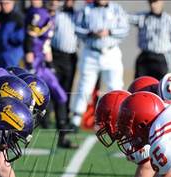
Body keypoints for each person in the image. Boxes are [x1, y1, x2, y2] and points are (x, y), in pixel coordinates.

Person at [70, 0, 128, 130]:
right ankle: (76, 119)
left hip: (111, 51)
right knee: (85, 86)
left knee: (115, 86)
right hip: (91, 52)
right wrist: (91, 33)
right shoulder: (87, 9)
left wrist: (110, 32)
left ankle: (117, 119)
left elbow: (125, 29)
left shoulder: (117, 9)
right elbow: (77, 28)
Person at [24, 0, 75, 148]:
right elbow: (29, 38)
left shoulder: (51, 16)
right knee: (26, 98)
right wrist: (29, 61)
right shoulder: (40, 14)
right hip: (34, 62)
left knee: (60, 95)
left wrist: (50, 64)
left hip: (41, 62)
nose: (53, 3)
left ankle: (63, 135)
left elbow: (45, 45)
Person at [128, 0, 171, 80]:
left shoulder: (169, 20)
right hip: (145, 57)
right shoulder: (143, 17)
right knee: (141, 85)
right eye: (151, 2)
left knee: (161, 86)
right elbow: (126, 18)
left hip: (161, 58)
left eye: (156, 2)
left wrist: (167, 52)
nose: (153, 5)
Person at [51, 0, 78, 132]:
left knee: (67, 89)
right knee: (56, 89)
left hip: (71, 57)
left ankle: (64, 120)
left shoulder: (79, 15)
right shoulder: (57, 15)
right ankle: (56, 120)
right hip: (56, 55)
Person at [0, 0, 25, 68]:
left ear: (13, 3)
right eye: (1, 4)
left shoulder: (18, 18)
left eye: (6, 3)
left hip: (13, 56)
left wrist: (9, 38)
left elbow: (21, 37)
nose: (4, 6)